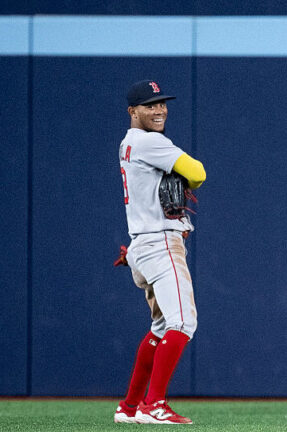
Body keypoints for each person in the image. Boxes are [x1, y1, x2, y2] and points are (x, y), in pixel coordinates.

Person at [113, 80, 206, 424]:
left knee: (161, 326)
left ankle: (130, 406)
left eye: (162, 103)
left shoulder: (127, 143)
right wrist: (185, 177)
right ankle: (155, 405)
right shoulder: (150, 142)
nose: (159, 110)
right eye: (149, 105)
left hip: (142, 243)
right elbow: (198, 173)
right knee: (183, 322)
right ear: (132, 112)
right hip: (161, 242)